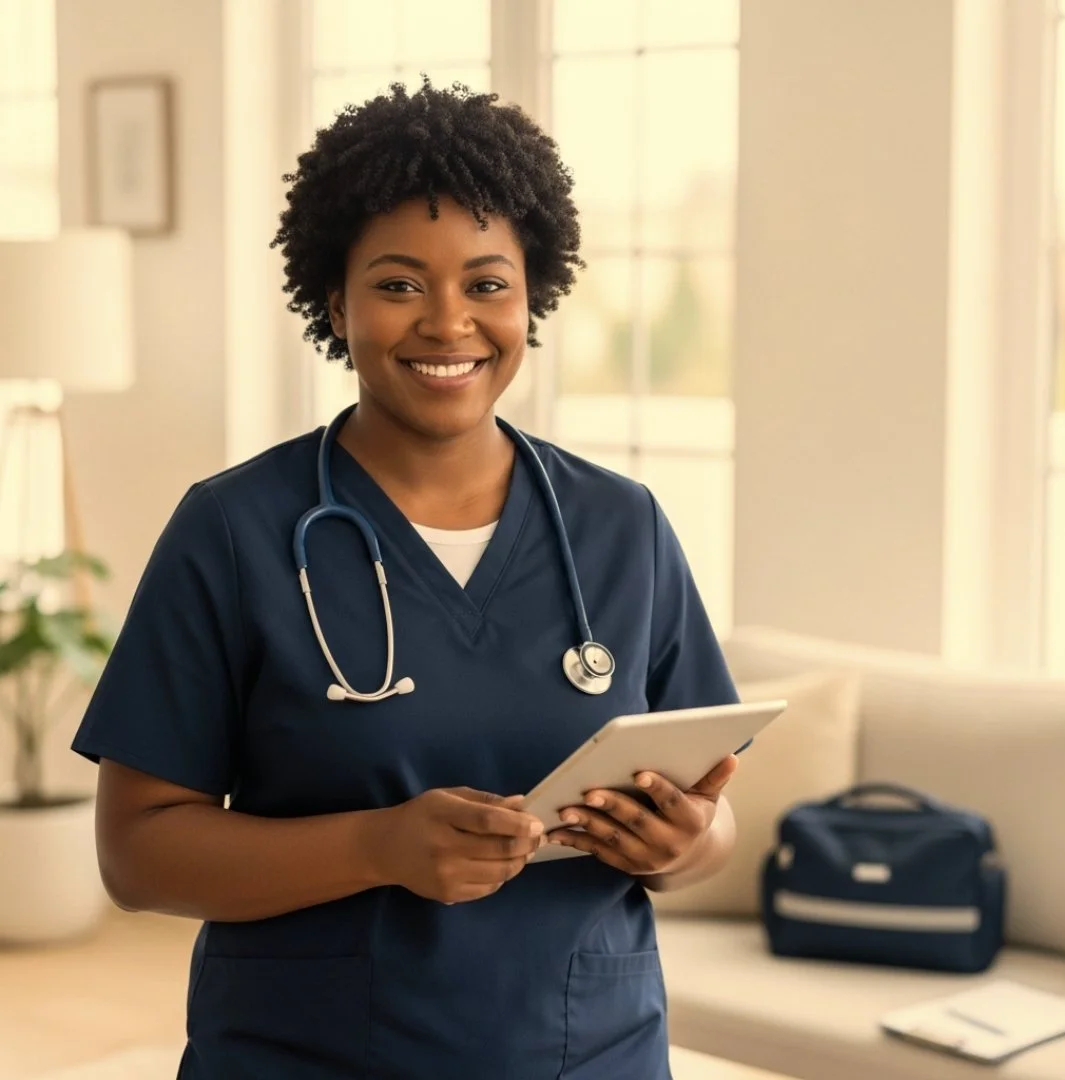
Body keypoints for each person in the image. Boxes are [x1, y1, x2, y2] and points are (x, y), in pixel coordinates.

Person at [71, 77, 741, 1080]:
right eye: (396, 284)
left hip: (589, 1056)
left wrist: (682, 845)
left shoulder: (620, 526)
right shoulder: (235, 530)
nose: (447, 322)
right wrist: (378, 847)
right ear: (334, 301)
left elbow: (714, 818)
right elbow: (137, 854)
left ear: (533, 297)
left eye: (486, 283)